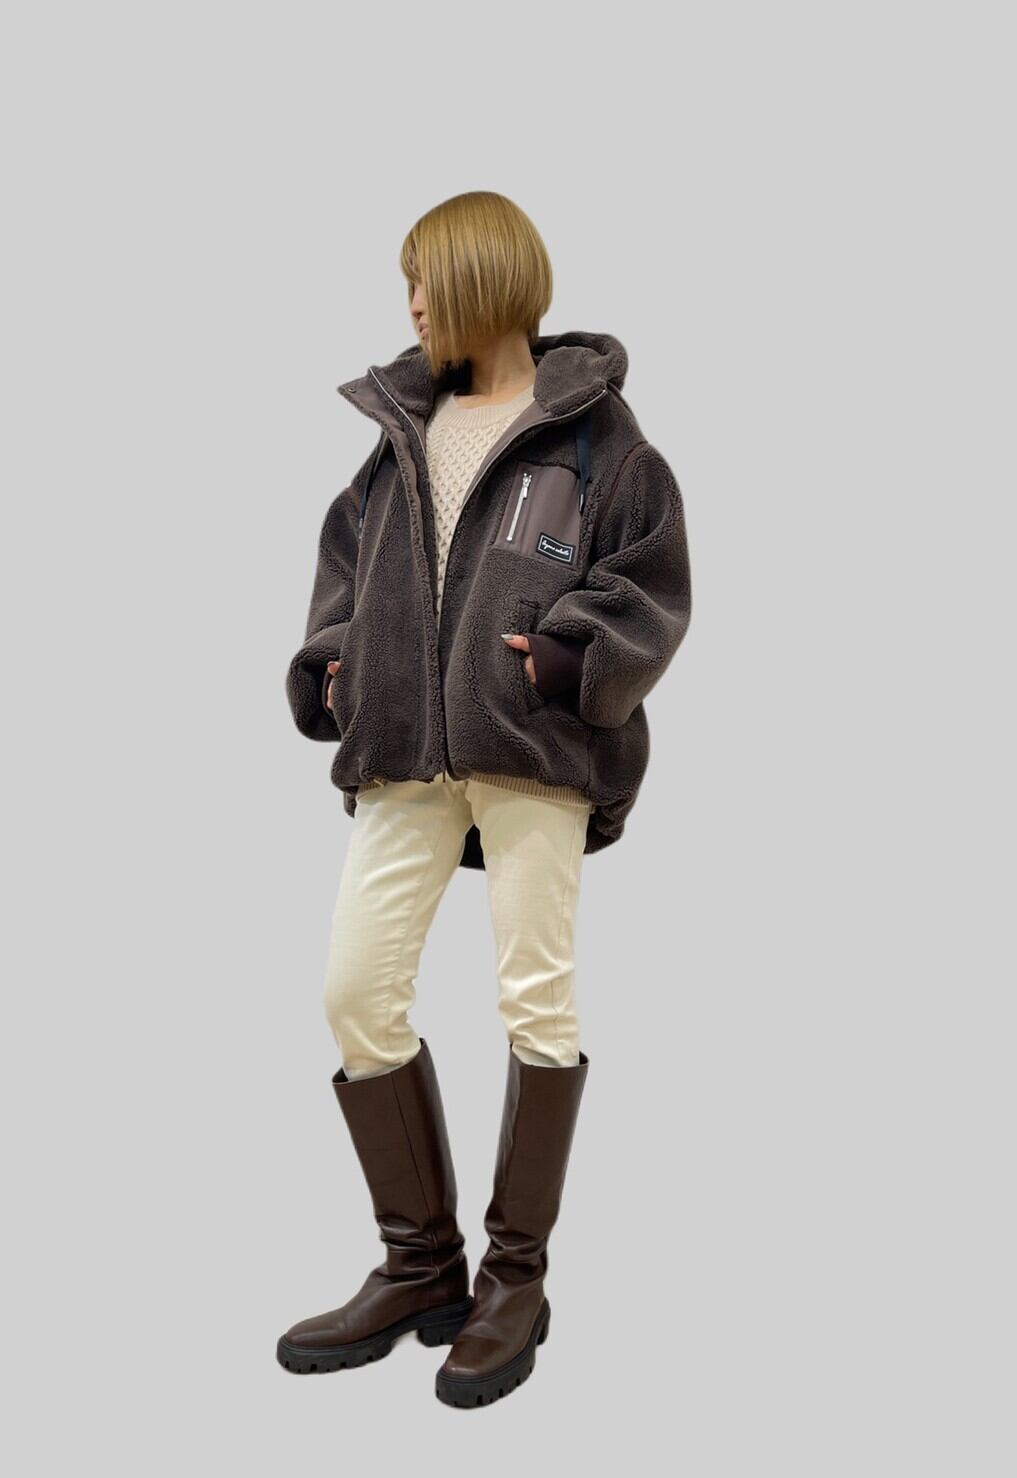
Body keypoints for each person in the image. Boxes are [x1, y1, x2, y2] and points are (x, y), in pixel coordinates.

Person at [277, 190, 693, 1407]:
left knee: (534, 996)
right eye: (404, 285)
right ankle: (421, 1266)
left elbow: (652, 578)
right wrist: (335, 663)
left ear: (481, 280)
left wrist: (568, 658)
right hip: (403, 747)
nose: (409, 305)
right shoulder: (402, 431)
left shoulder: (597, 440)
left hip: (531, 748)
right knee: (355, 990)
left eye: (424, 281)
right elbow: (346, 568)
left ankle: (516, 1278)